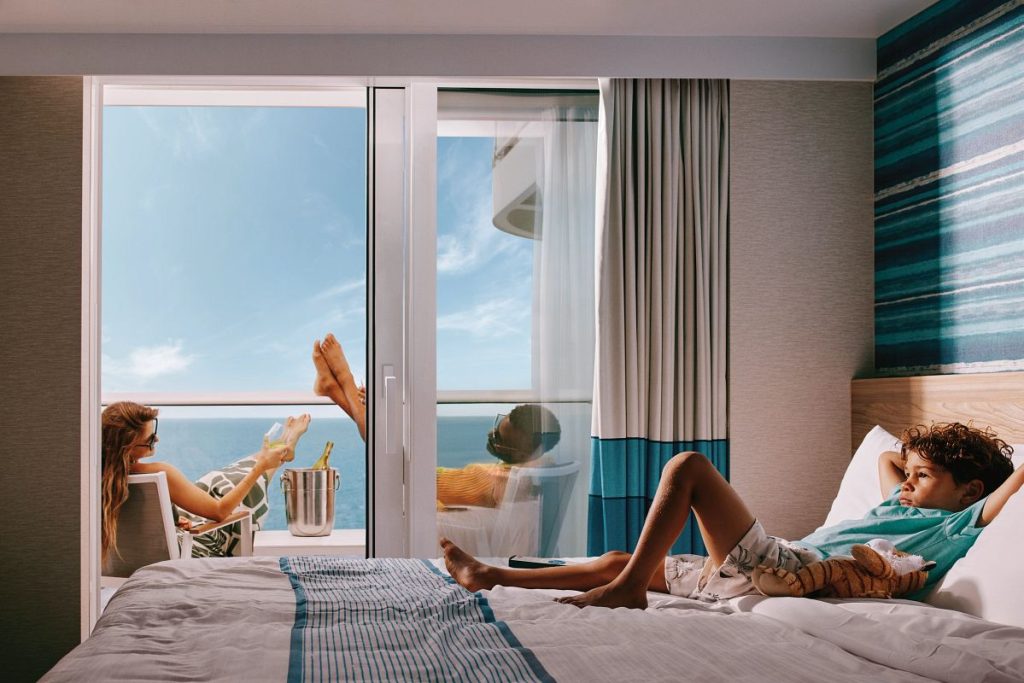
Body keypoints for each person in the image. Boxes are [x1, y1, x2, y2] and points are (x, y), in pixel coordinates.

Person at [441, 421, 1019, 609]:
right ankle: (494, 576)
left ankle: (628, 591)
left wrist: (969, 475)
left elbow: (1010, 482)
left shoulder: (955, 524)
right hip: (775, 566)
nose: (908, 483)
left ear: (971, 491)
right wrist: (920, 468)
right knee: (623, 559)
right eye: (912, 477)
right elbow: (892, 455)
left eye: (926, 478)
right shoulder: (904, 499)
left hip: (791, 575)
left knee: (689, 467)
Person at [311, 333, 561, 508]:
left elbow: (426, 479)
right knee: (387, 441)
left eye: (500, 439)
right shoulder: (537, 464)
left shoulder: (496, 482)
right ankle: (336, 389)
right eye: (497, 429)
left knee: (386, 450)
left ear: (525, 452)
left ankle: (342, 383)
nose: (492, 437)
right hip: (443, 479)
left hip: (433, 485)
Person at [101, 401, 310, 561]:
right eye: (150, 440)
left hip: (134, 555)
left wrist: (171, 522)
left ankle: (280, 448)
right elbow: (219, 512)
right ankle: (278, 452)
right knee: (239, 486)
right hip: (185, 556)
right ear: (126, 446)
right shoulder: (159, 474)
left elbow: (134, 521)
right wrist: (259, 469)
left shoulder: (95, 478)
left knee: (217, 480)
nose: (157, 440)